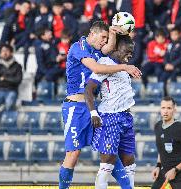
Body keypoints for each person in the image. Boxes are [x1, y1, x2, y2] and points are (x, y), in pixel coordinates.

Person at [59, 21, 141, 189]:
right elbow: (96, 68)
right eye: (102, 37)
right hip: (75, 107)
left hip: (91, 108)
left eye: (106, 38)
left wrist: (112, 32)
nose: (104, 41)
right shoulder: (78, 47)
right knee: (73, 154)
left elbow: (110, 47)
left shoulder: (96, 50)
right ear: (92, 33)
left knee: (109, 153)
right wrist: (124, 67)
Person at [85, 35, 136, 189]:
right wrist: (93, 113)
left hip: (126, 117)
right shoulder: (105, 64)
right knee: (108, 162)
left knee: (130, 161)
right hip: (110, 117)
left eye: (131, 53)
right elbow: (89, 89)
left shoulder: (123, 66)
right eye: (127, 51)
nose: (129, 55)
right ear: (115, 48)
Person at [151, 96, 181, 189]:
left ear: (174, 110)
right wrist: (158, 166)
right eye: (163, 108)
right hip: (165, 173)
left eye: (169, 108)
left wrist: (175, 170)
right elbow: (162, 150)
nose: (165, 111)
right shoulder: (158, 126)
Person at [0, 44, 23, 122]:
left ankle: (7, 122)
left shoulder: (17, 66)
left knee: (9, 102)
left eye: (7, 51)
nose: (4, 53)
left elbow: (18, 81)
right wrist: (10, 80)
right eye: (2, 51)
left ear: (11, 53)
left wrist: (4, 78)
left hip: (12, 91)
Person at [161, 27, 181, 95]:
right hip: (169, 67)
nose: (174, 36)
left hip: (178, 67)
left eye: (175, 34)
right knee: (162, 76)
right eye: (172, 35)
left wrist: (173, 65)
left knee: (173, 76)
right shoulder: (169, 44)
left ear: (179, 35)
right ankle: (164, 95)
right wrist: (166, 64)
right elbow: (165, 56)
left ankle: (176, 94)